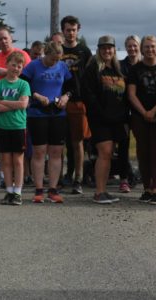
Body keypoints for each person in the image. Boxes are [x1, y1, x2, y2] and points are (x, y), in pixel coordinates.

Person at [0, 27, 31, 190]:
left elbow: (28, 75)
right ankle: (3, 176)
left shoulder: (21, 55)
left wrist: (7, 72)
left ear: (11, 38)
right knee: (2, 150)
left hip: (16, 110)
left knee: (17, 153)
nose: (3, 41)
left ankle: (19, 182)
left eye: (5, 38)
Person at [21, 41, 72, 204]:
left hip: (57, 112)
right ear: (46, 54)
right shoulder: (33, 66)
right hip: (37, 112)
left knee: (56, 151)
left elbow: (71, 86)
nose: (54, 63)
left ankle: (53, 189)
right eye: (52, 59)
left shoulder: (62, 67)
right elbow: (23, 84)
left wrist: (66, 97)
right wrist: (36, 95)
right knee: (39, 151)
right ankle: (38, 189)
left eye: (58, 59)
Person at [83, 35, 126, 204]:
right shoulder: (93, 68)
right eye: (103, 48)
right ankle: (99, 192)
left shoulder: (118, 69)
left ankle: (103, 190)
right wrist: (101, 113)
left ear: (114, 49)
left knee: (108, 155)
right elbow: (88, 95)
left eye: (110, 47)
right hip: (100, 119)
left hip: (117, 119)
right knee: (105, 153)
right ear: (99, 50)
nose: (107, 50)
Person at [0, 52, 31, 206]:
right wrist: (12, 104)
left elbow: (23, 104)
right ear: (7, 64)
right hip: (2, 127)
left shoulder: (23, 85)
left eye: (19, 66)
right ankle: (9, 191)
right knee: (6, 161)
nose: (16, 68)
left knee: (18, 161)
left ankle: (18, 192)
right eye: (13, 65)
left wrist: (5, 101)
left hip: (18, 126)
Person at [59, 15, 92, 194]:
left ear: (78, 30)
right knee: (60, 143)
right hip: (59, 102)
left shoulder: (84, 51)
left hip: (78, 101)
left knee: (77, 142)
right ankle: (64, 175)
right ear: (63, 31)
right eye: (67, 30)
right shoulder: (58, 50)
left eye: (73, 29)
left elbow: (89, 78)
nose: (70, 33)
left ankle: (78, 178)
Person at [127, 35, 156, 204]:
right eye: (146, 47)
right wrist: (144, 112)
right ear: (142, 49)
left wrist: (153, 111)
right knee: (143, 153)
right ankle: (147, 188)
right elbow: (131, 94)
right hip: (139, 118)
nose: (150, 50)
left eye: (152, 46)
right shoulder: (136, 69)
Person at [117, 35, 142, 193]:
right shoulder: (120, 66)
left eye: (135, 46)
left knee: (145, 145)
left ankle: (144, 175)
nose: (132, 49)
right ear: (126, 47)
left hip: (142, 111)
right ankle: (124, 179)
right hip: (124, 111)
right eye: (129, 46)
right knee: (123, 146)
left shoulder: (147, 64)